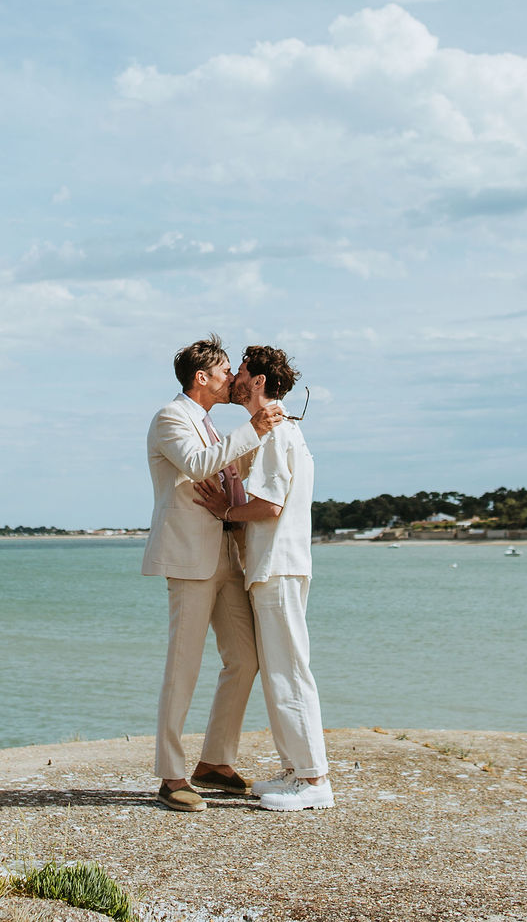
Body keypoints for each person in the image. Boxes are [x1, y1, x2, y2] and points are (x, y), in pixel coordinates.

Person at [142, 335, 284, 812]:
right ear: (201, 378)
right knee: (182, 668)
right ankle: (171, 775)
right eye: (226, 372)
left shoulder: (209, 425)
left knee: (245, 658)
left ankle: (214, 763)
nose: (232, 379)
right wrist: (255, 429)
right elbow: (199, 464)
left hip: (227, 556)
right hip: (189, 561)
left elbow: (229, 472)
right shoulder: (170, 418)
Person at [192, 343, 331, 811]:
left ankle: (313, 779)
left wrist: (225, 508)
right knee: (279, 671)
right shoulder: (275, 429)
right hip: (274, 566)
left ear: (258, 382)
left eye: (242, 373)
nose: (234, 379)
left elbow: (269, 506)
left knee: (289, 670)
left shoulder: (277, 432)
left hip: (278, 565)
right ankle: (296, 770)